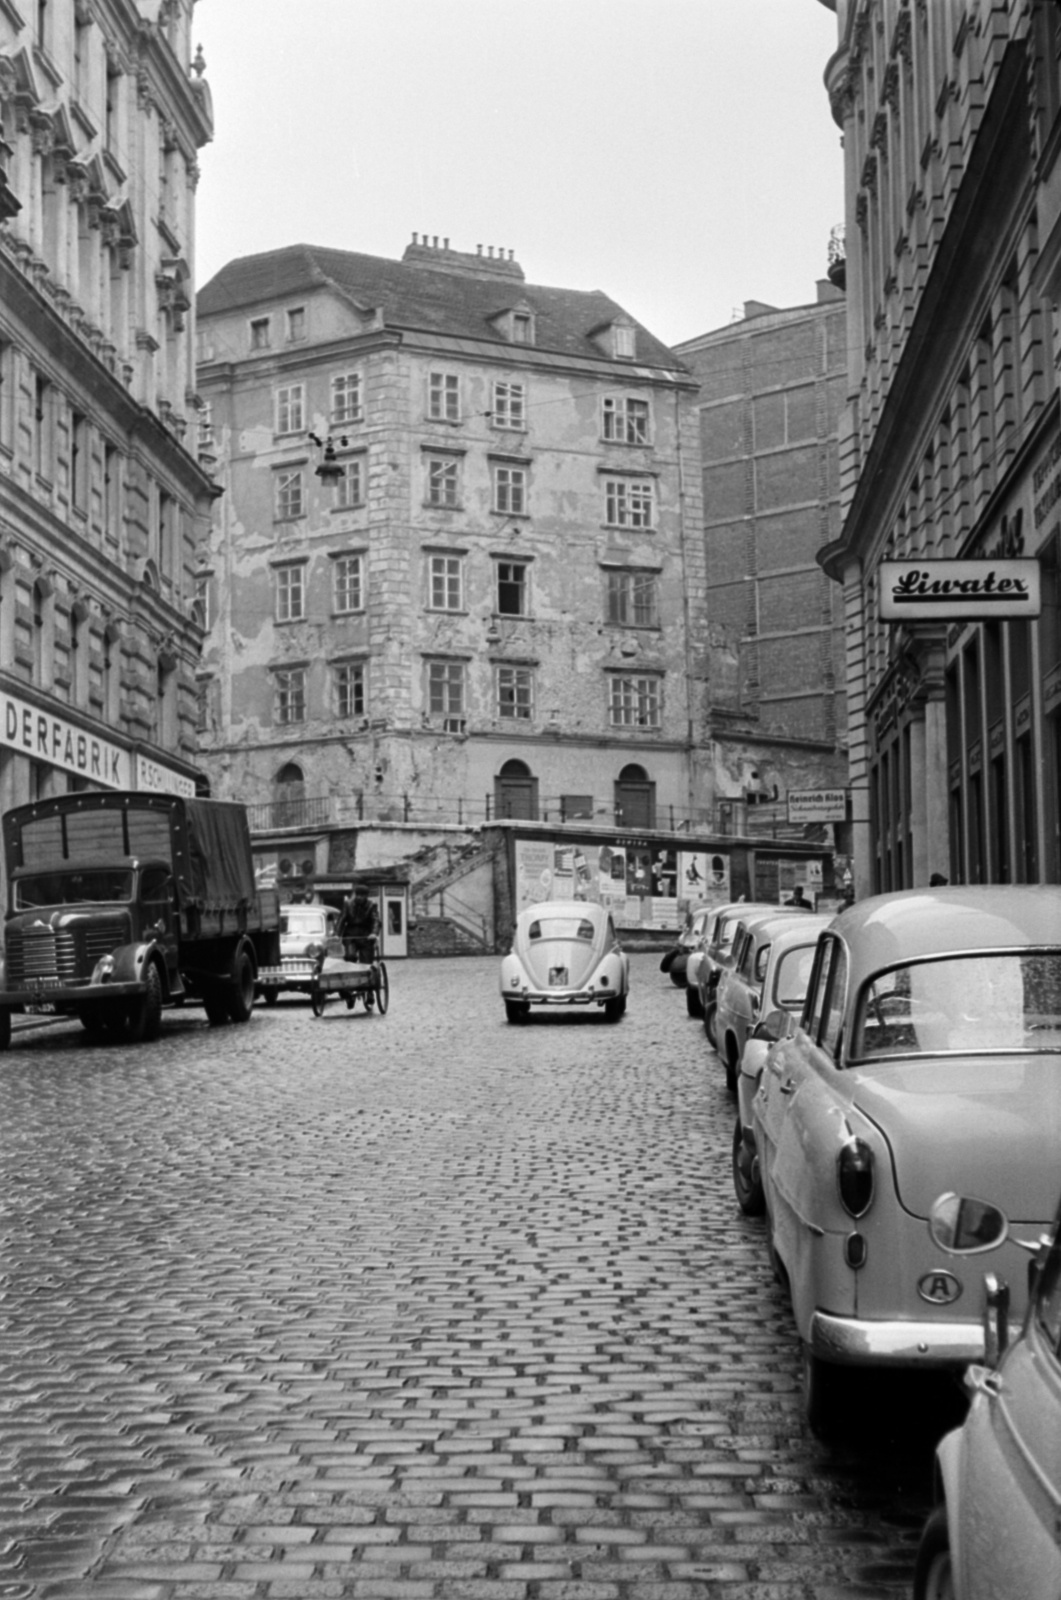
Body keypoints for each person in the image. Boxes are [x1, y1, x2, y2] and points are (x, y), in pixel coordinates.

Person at [339, 885, 380, 963]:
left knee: (367, 961)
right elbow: (341, 919)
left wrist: (374, 933)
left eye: (362, 895)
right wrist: (337, 935)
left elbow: (375, 920)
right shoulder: (348, 904)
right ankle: (350, 973)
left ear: (366, 896)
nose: (359, 897)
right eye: (357, 894)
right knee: (350, 957)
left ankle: (365, 974)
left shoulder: (371, 905)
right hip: (350, 936)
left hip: (366, 936)